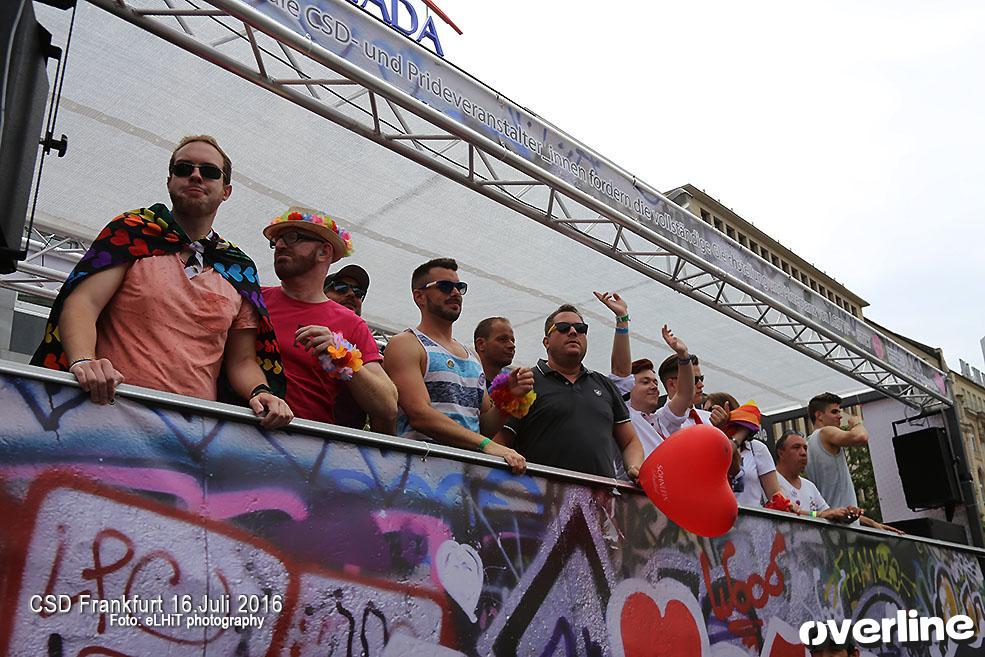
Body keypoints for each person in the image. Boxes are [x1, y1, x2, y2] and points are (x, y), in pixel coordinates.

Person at [32, 134, 292, 428]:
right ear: (169, 181)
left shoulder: (238, 268)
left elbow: (241, 361)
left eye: (209, 172)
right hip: (107, 415)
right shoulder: (132, 232)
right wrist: (82, 361)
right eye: (184, 169)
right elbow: (83, 303)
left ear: (226, 190)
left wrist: (262, 392)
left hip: (191, 431)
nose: (195, 176)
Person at [384, 258, 530, 472]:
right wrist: (486, 445)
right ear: (419, 296)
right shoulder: (406, 344)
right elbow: (420, 415)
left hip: (465, 478)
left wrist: (508, 397)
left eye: (459, 287)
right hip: (419, 473)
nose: (455, 293)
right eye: (444, 286)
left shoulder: (472, 356)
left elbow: (484, 426)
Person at [261, 208, 397, 434]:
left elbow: (388, 405)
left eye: (293, 237)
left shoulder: (352, 324)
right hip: (239, 433)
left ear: (324, 252)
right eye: (278, 240)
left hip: (310, 448)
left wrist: (341, 354)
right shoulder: (255, 299)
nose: (282, 245)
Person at [493, 304, 645, 479]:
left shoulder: (604, 384)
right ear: (546, 342)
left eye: (581, 328)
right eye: (563, 328)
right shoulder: (526, 381)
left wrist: (635, 466)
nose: (573, 332)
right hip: (540, 500)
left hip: (599, 501)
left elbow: (629, 441)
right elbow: (500, 440)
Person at [802, 392, 903, 533]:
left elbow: (836, 506)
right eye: (834, 412)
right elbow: (861, 437)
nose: (840, 416)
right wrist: (857, 423)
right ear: (819, 415)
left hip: (833, 524)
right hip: (842, 530)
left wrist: (872, 523)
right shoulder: (826, 432)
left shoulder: (808, 443)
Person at [624, 326, 696, 456]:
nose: (654, 386)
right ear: (628, 386)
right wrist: (622, 321)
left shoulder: (661, 420)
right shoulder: (622, 417)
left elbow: (685, 395)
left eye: (655, 382)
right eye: (645, 382)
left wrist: (683, 355)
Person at [323, 263, 375, 429]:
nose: (352, 294)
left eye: (359, 293)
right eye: (340, 287)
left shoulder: (366, 341)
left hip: (343, 442)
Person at [774, 429, 862, 522]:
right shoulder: (772, 482)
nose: (803, 453)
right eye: (796, 447)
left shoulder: (809, 486)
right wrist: (819, 514)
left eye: (805, 448)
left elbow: (828, 513)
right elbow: (788, 512)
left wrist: (845, 514)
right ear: (781, 453)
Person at [726, 401, 783, 507]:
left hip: (753, 521)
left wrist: (813, 514)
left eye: (712, 410)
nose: (708, 415)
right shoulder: (708, 448)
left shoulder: (756, 448)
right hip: (722, 520)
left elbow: (775, 495)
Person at [657, 353, 730, 429]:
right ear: (671, 384)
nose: (701, 385)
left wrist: (722, 430)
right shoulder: (660, 421)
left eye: (701, 378)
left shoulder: (710, 419)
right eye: (693, 380)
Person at [473, 316, 515, 390]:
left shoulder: (512, 387)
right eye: (503, 339)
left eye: (512, 341)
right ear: (481, 344)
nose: (512, 345)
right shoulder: (467, 384)